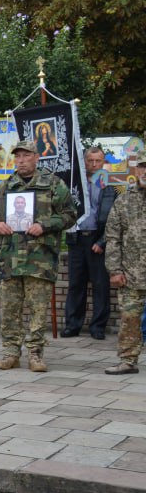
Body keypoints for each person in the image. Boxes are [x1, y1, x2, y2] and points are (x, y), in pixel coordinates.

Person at [0, 140, 77, 372]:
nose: (21, 160)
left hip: (40, 260)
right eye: (18, 157)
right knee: (10, 309)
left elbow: (70, 214)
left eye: (26, 156)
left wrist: (44, 225)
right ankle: (10, 352)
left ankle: (35, 354)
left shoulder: (53, 184)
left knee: (38, 309)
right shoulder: (5, 187)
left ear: (37, 157)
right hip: (10, 259)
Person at [63, 147, 116, 339]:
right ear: (84, 162)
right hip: (76, 238)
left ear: (103, 163)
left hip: (97, 238)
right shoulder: (73, 183)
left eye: (98, 161)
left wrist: (102, 241)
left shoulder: (109, 186)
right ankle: (72, 325)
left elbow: (113, 218)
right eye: (90, 161)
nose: (94, 165)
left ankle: (98, 327)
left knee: (100, 285)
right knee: (76, 283)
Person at [103, 155, 146, 374]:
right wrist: (115, 270)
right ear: (136, 170)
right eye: (142, 167)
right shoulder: (124, 200)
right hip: (131, 274)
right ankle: (128, 360)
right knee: (129, 319)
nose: (145, 171)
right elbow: (112, 237)